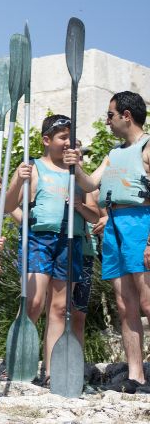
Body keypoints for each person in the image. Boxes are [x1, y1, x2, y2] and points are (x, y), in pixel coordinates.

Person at [64, 92, 150, 393]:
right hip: (113, 226)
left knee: (148, 302)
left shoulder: (147, 147)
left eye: (110, 115)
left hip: (142, 223)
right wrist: (76, 165)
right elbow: (90, 184)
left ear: (126, 115)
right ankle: (136, 375)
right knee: (125, 305)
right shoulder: (113, 153)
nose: (107, 120)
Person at [1, 115, 99, 380]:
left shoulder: (75, 172)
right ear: (47, 140)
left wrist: (77, 174)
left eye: (71, 137)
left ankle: (50, 371)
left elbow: (94, 199)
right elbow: (8, 206)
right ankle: (16, 363)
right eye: (62, 137)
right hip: (39, 241)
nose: (68, 142)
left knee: (59, 308)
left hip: (71, 241)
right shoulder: (32, 168)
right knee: (33, 303)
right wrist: (15, 184)